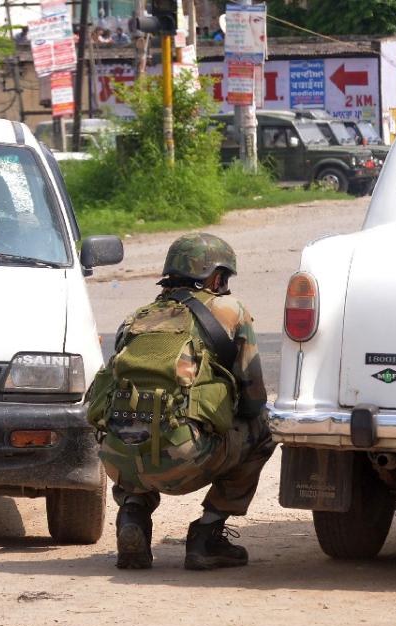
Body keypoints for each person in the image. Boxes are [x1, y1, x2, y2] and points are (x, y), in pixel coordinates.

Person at [88, 233, 275, 570]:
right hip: (183, 460)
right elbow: (253, 399)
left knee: (137, 426)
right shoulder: (230, 310)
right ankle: (207, 536)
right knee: (263, 432)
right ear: (216, 276)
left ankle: (132, 517)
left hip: (120, 460)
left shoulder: (136, 318)